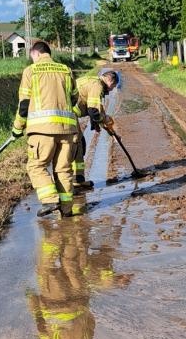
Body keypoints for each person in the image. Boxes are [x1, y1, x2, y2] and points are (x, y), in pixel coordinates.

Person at [11, 40, 81, 218]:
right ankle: (67, 210)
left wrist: (17, 128)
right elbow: (74, 99)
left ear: (35, 54)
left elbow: (24, 105)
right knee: (64, 170)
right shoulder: (66, 70)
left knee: (36, 166)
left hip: (42, 131)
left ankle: (50, 200)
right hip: (68, 130)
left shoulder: (31, 71)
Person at [73, 68, 120, 191]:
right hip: (67, 114)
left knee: (79, 144)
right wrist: (103, 121)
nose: (111, 90)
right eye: (113, 86)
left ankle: (78, 179)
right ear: (110, 81)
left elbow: (95, 109)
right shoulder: (97, 86)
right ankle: (74, 180)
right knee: (77, 145)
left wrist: (107, 129)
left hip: (68, 113)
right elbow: (94, 111)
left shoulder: (94, 82)